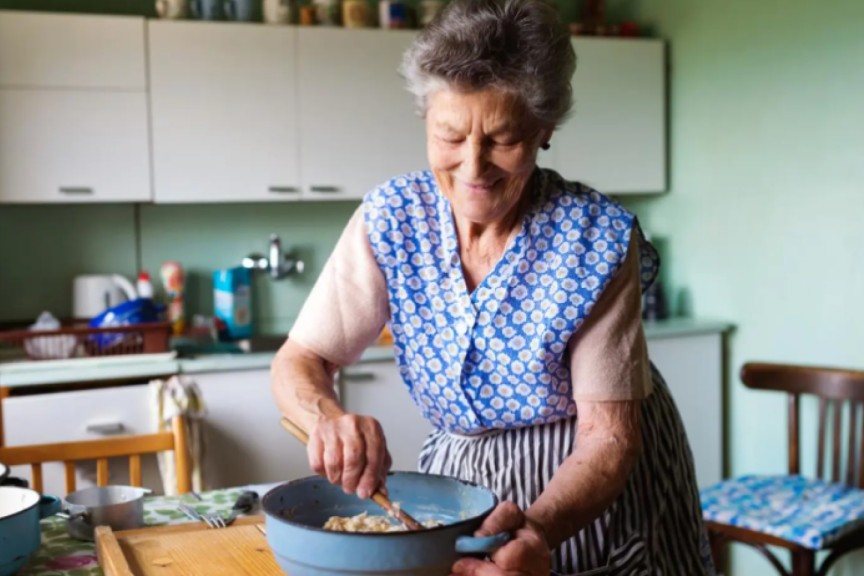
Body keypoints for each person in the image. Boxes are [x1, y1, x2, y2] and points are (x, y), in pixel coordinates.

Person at [271, 0, 713, 573]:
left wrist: (538, 529)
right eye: (450, 136)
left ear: (544, 129)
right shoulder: (392, 217)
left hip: (594, 487)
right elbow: (300, 359)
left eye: (503, 139)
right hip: (464, 485)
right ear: (426, 117)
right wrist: (326, 417)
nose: (474, 168)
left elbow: (609, 438)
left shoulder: (595, 238)